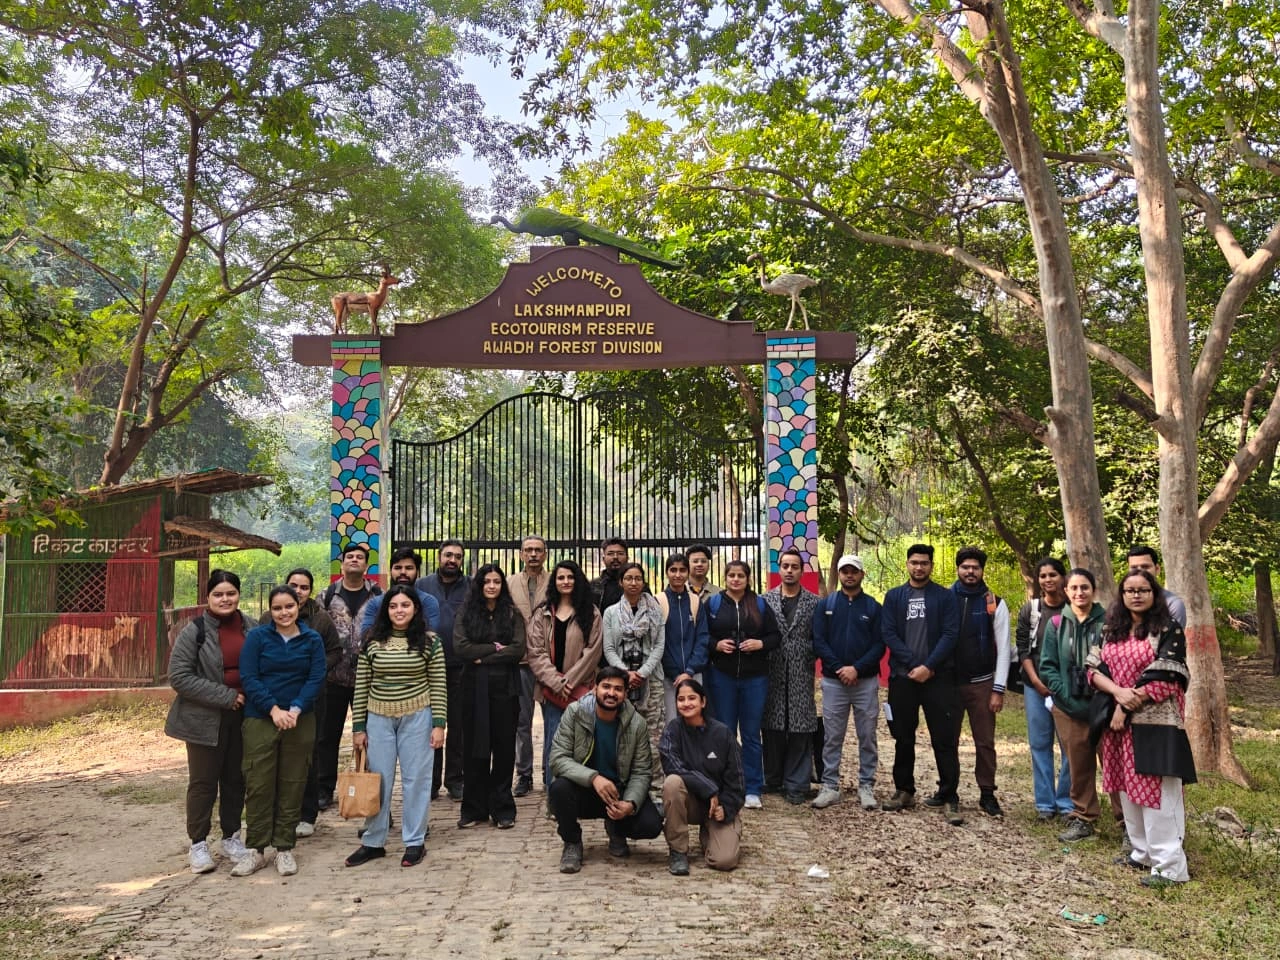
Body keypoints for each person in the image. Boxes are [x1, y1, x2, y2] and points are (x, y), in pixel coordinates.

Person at [1089, 569, 1195, 886]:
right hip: (1117, 725)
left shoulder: (1168, 629)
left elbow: (1168, 675)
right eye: (1130, 590)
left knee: (1158, 793)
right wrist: (1117, 694)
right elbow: (1092, 668)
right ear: (1122, 595)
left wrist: (1125, 705)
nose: (1136, 595)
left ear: (1154, 593)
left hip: (1155, 724)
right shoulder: (1110, 629)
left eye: (1143, 590)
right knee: (1127, 787)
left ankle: (1170, 867)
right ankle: (1142, 853)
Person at [344, 585, 448, 868]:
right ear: (385, 611)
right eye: (393, 606)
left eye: (405, 605)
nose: (399, 611)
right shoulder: (372, 642)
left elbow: (438, 683)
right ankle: (373, 841)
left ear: (416, 609)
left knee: (417, 780)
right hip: (378, 718)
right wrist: (359, 728)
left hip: (418, 716)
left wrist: (439, 724)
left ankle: (414, 841)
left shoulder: (430, 642)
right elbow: (362, 685)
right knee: (379, 780)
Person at [234, 585, 326, 877]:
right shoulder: (258, 637)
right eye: (277, 608)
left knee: (293, 782)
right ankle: (256, 849)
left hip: (299, 719)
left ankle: (284, 848)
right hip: (261, 718)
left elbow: (316, 677)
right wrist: (273, 709)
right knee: (258, 783)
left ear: (298, 606)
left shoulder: (312, 639)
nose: (284, 613)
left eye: (289, 606)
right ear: (269, 611)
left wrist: (296, 708)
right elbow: (249, 677)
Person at [165, 570, 251, 874]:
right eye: (218, 594)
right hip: (202, 720)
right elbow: (179, 676)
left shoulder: (252, 627)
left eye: (230, 593)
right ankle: (198, 844)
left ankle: (231, 837)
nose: (225, 599)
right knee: (203, 783)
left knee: (235, 779)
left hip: (243, 718)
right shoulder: (195, 631)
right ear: (208, 597)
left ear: (238, 595)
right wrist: (225, 696)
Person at [548, 667, 664, 873]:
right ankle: (572, 842)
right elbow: (558, 759)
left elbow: (641, 771)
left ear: (625, 694)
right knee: (559, 789)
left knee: (651, 824)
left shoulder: (636, 723)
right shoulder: (575, 713)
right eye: (606, 687)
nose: (611, 693)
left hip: (617, 792)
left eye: (618, 689)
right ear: (595, 689)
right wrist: (593, 778)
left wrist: (630, 803)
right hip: (584, 788)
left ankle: (616, 829)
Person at [881, 543, 962, 825]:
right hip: (903, 678)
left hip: (938, 678)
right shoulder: (894, 596)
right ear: (907, 564)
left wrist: (929, 666)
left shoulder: (945, 597)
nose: (919, 567)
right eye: (914, 562)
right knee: (903, 736)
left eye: (924, 563)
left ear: (931, 566)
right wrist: (913, 664)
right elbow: (889, 633)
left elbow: (951, 634)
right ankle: (904, 790)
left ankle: (949, 795)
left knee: (944, 737)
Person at [258, 568, 341, 838]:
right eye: (294, 585)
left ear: (310, 591)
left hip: (312, 697)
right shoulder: (267, 619)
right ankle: (278, 813)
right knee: (275, 755)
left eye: (304, 587)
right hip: (275, 697)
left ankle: (307, 813)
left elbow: (335, 651)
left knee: (308, 755)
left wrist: (314, 669)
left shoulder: (321, 619)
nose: (299, 591)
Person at [705, 559, 782, 810]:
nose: (736, 579)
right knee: (725, 732)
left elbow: (775, 636)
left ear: (748, 579)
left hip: (754, 678)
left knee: (751, 734)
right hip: (722, 677)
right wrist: (716, 645)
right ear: (725, 578)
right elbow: (703, 636)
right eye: (731, 575)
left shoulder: (759, 604)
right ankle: (727, 785)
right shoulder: (713, 604)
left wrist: (760, 644)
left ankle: (752, 788)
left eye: (740, 575)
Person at [453, 564, 526, 829]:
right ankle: (474, 808)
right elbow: (461, 647)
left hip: (506, 688)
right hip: (474, 689)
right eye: (487, 582)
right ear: (479, 585)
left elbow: (517, 649)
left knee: (504, 748)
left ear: (502, 585)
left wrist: (483, 657)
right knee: (474, 747)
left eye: (496, 581)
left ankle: (503, 808)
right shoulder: (467, 613)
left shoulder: (512, 614)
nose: (492, 586)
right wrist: (493, 648)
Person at [1038, 567, 1106, 842]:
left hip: (1104, 706)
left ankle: (1128, 824)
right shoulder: (1057, 624)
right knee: (1078, 766)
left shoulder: (1108, 623)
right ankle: (1084, 817)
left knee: (1114, 767)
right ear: (1066, 591)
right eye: (1074, 588)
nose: (1079, 593)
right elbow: (1047, 666)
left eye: (1084, 587)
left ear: (1093, 590)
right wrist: (1063, 692)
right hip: (1068, 708)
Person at [812, 554, 884, 811]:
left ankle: (866, 785)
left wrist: (857, 668)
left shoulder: (873, 607)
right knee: (832, 736)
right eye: (845, 571)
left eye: (854, 571)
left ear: (862, 574)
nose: (849, 575)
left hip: (865, 682)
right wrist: (839, 668)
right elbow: (819, 640)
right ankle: (830, 785)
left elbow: (879, 644)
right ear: (840, 574)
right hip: (834, 682)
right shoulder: (826, 605)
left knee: (867, 736)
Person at [315, 542, 381, 812]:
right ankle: (323, 788)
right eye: (350, 556)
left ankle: (372, 788)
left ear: (366, 565)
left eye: (360, 557)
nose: (354, 560)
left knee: (370, 736)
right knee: (327, 736)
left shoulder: (378, 595)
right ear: (342, 563)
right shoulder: (326, 596)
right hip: (334, 677)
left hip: (369, 680)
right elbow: (316, 632)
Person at [526, 560, 604, 788]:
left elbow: (593, 651)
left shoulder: (590, 612)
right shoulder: (542, 613)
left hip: (580, 690)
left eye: (571, 577)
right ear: (555, 581)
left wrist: (568, 682)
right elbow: (536, 652)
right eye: (561, 577)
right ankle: (554, 791)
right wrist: (556, 682)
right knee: (554, 741)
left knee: (581, 742)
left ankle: (579, 792)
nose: (566, 581)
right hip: (552, 692)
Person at [949, 546, 1011, 817]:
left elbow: (1004, 648)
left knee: (984, 741)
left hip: (983, 683)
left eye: (975, 567)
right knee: (947, 740)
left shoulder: (994, 603)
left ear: (982, 570)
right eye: (965, 567)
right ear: (958, 569)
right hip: (949, 683)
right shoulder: (945, 598)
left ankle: (987, 793)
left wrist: (998, 689)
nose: (970, 572)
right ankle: (948, 791)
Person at [659, 677, 744, 875]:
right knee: (672, 783)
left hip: (718, 807)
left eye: (692, 698)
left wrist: (727, 807)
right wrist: (709, 789)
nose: (686, 703)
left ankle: (710, 832)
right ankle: (678, 851)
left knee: (724, 861)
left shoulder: (723, 733)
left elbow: (737, 779)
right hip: (690, 803)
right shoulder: (672, 730)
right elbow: (673, 766)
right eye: (681, 699)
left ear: (703, 701)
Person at [1015, 558, 1073, 820]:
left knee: (1070, 745)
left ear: (1063, 577)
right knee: (1039, 743)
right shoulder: (1032, 610)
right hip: (1035, 686)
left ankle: (1067, 802)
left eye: (1053, 575)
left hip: (1069, 688)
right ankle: (1045, 804)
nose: (1048, 580)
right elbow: (1023, 649)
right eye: (1043, 576)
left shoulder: (1074, 608)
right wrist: (1035, 681)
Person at [762, 548, 820, 804]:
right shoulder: (765, 600)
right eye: (785, 566)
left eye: (794, 566)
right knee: (772, 723)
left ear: (801, 570)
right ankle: (773, 778)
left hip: (800, 670)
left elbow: (819, 636)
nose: (789, 571)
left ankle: (797, 783)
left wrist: (808, 653)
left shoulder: (814, 602)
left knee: (800, 726)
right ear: (779, 568)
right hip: (772, 668)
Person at [415, 539, 469, 801]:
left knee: (458, 726)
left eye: (457, 556)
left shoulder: (471, 586)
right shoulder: (422, 586)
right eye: (448, 555)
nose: (452, 560)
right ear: (439, 557)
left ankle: (455, 780)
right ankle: (431, 781)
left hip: (461, 666)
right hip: (428, 667)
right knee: (430, 726)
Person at [603, 562, 666, 785]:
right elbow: (608, 648)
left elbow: (659, 645)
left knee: (653, 735)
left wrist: (642, 672)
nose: (633, 583)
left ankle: (655, 786)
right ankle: (625, 785)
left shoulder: (655, 610)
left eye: (638, 578)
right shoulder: (611, 613)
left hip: (651, 680)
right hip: (621, 683)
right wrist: (626, 674)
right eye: (628, 578)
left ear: (643, 581)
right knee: (623, 733)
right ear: (621, 582)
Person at [507, 535, 550, 797]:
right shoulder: (510, 583)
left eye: (538, 550)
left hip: (548, 662)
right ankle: (524, 775)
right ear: (521, 554)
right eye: (528, 550)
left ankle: (550, 772)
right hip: (520, 662)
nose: (533, 554)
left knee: (552, 721)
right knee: (521, 722)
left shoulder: (554, 581)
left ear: (545, 554)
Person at [657, 552, 710, 723]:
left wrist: (689, 671)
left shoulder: (695, 601)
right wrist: (675, 673)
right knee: (671, 722)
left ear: (688, 572)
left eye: (682, 570)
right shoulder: (658, 601)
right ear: (667, 572)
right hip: (667, 676)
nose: (678, 575)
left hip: (693, 673)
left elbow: (702, 638)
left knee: (695, 719)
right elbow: (658, 642)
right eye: (673, 570)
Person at [359, 547, 441, 635]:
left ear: (417, 572)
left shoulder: (428, 602)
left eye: (409, 568)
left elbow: (430, 636)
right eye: (398, 568)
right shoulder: (375, 603)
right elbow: (366, 635)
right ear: (390, 571)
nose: (403, 572)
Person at [1125, 545, 1187, 628]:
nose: (1140, 572)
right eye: (1134, 568)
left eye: (1145, 567)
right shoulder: (1121, 602)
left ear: (1157, 569)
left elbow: (1174, 635)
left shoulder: (1172, 605)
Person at [590, 536, 630, 613]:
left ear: (627, 558)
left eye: (620, 553)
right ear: (603, 559)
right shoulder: (593, 586)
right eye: (610, 554)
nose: (615, 557)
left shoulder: (638, 584)